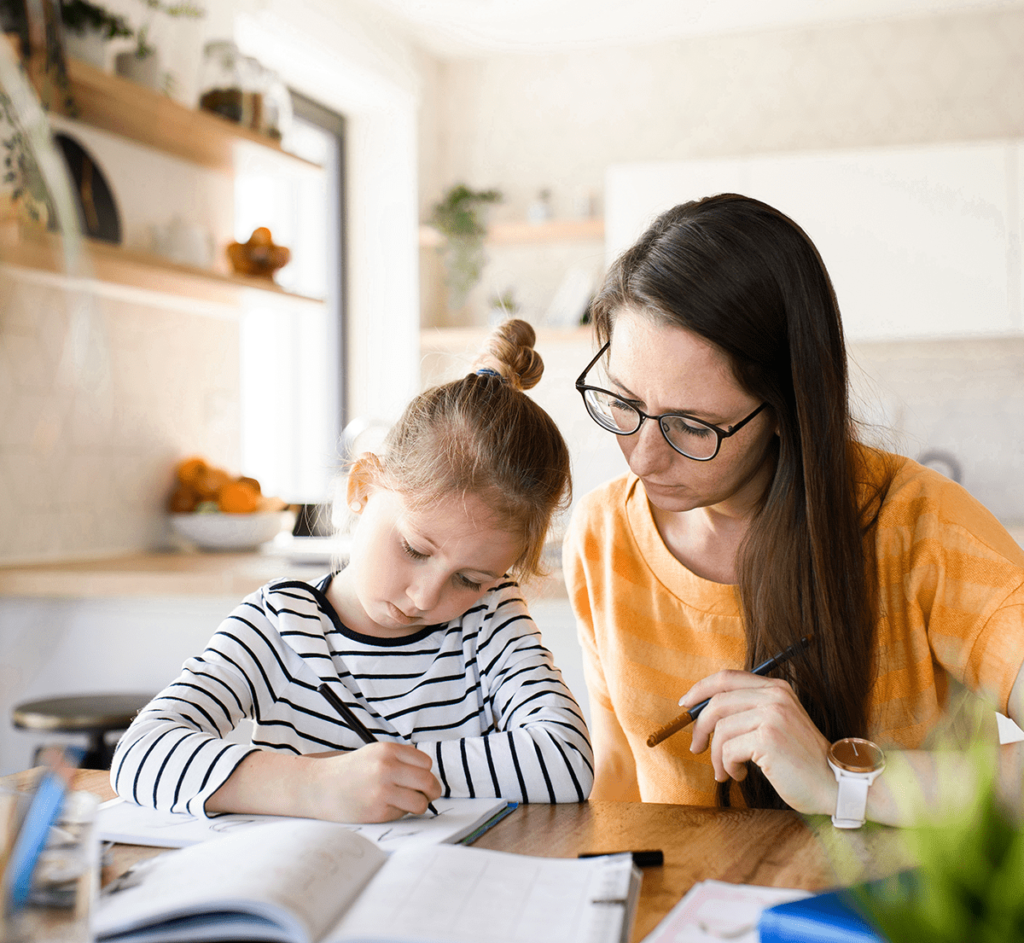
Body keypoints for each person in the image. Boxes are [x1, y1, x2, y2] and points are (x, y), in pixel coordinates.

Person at [563, 193, 1024, 826]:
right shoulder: (601, 533)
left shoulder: (922, 527)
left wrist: (845, 782)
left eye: (692, 427)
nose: (641, 458)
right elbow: (618, 785)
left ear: (786, 409)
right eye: (622, 401)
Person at [112, 319, 593, 823]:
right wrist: (313, 786)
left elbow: (568, 759)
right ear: (363, 488)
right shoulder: (278, 626)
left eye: (469, 580)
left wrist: (381, 774)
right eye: (414, 549)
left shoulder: (490, 620)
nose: (427, 598)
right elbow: (141, 753)